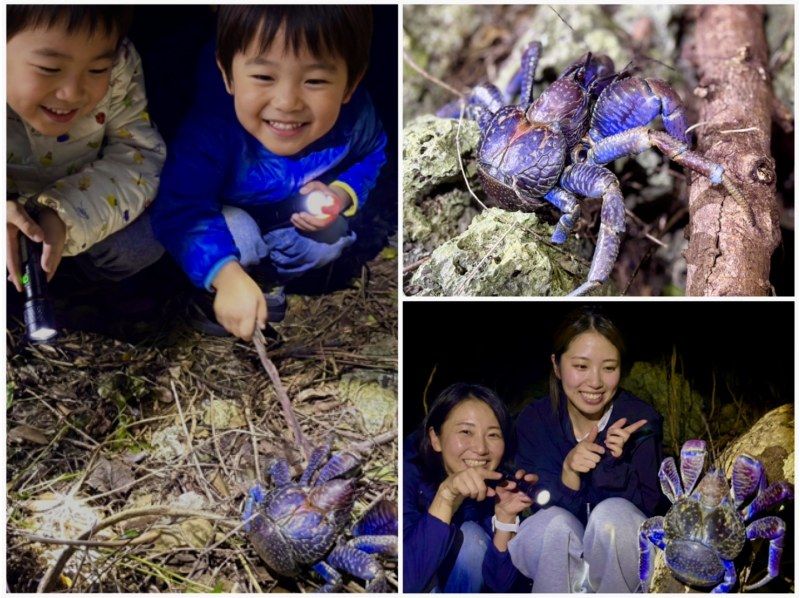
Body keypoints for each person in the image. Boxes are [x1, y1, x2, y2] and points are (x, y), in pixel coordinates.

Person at [151, 6, 387, 340]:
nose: (287, 102)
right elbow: (181, 209)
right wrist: (226, 273)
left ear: (350, 83)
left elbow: (373, 153)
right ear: (228, 73)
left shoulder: (355, 119)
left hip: (287, 216)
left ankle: (262, 280)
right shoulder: (212, 131)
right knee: (242, 238)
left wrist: (341, 192)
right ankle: (219, 285)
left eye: (315, 81)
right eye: (264, 77)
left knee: (331, 239)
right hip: (224, 216)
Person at [6, 6, 166, 292]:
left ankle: (76, 286)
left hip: (84, 209)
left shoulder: (121, 67)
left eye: (97, 70)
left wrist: (64, 213)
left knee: (143, 241)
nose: (72, 92)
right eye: (49, 69)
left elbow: (138, 155)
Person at [508, 307, 663, 592]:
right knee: (552, 526)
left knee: (613, 516)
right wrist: (569, 474)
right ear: (556, 365)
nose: (595, 382)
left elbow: (650, 510)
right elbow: (537, 508)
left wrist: (613, 466)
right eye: (581, 366)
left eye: (609, 368)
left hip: (620, 557)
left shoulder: (641, 420)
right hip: (560, 555)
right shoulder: (534, 421)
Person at [404, 383, 537, 593]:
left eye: (493, 435)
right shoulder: (407, 474)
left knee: (471, 538)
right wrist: (446, 498)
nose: (481, 449)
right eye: (466, 431)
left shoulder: (500, 485)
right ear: (435, 438)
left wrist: (504, 521)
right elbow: (406, 582)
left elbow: (500, 586)